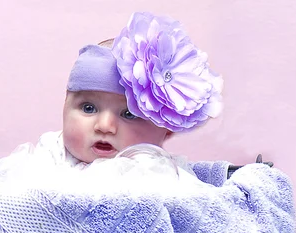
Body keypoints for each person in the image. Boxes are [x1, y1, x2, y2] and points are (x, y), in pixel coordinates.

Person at [35, 11, 224, 170]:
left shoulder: (157, 174)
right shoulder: (50, 156)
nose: (104, 126)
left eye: (129, 113)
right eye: (88, 108)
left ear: (166, 129)